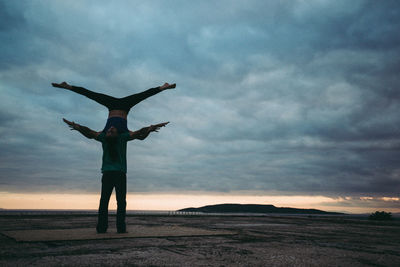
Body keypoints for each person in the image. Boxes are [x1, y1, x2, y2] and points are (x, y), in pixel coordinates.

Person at [63, 118, 169, 233]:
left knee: (120, 202)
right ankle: (102, 228)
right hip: (109, 174)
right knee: (105, 201)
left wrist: (149, 128)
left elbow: (138, 133)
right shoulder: (107, 138)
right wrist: (78, 127)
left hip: (119, 174)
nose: (111, 129)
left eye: (111, 130)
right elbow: (90, 133)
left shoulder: (121, 138)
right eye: (110, 131)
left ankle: (120, 228)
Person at [53, 82, 176, 133]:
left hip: (111, 106)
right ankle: (163, 87)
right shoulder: (125, 134)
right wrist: (151, 129)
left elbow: (90, 132)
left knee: (91, 94)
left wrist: (76, 127)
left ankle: (67, 86)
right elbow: (140, 133)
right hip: (125, 107)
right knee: (142, 95)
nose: (111, 131)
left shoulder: (104, 134)